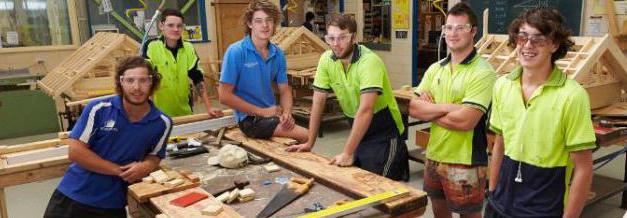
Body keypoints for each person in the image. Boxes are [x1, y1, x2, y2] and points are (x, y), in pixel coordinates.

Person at [485, 8, 596, 218]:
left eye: (538, 39)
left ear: (554, 45)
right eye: (522, 37)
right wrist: (492, 192)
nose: (527, 45)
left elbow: (584, 169)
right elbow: (500, 142)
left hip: (543, 209)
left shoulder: (572, 96)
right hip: (499, 203)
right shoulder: (502, 85)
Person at [43, 56, 172, 218]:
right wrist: (119, 171)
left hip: (113, 205)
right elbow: (75, 152)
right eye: (130, 80)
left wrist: (145, 166)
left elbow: (155, 156)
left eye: (143, 80)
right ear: (121, 82)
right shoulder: (98, 109)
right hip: (73, 198)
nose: (137, 87)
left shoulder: (162, 123)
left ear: (152, 83)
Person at [287, 13, 409, 181]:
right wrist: (310, 142)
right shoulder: (326, 60)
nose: (336, 44)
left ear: (354, 37)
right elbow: (318, 102)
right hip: (358, 129)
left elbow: (366, 110)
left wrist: (347, 152)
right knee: (361, 181)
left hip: (384, 132)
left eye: (342, 38)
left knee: (384, 186)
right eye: (331, 38)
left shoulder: (369, 62)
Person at [408, 3, 496, 217]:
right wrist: (450, 108)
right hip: (434, 154)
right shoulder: (435, 68)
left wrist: (431, 108)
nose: (452, 33)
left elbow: (466, 122)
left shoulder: (483, 72)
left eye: (460, 28)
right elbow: (412, 108)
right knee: (439, 212)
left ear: (473, 31)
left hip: (466, 161)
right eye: (448, 28)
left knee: (469, 214)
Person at [218, 0, 308, 142]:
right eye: (258, 21)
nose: (265, 25)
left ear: (274, 23)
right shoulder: (236, 51)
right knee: (307, 136)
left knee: (300, 137)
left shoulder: (277, 53)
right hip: (250, 119)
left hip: (272, 115)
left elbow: (284, 90)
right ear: (250, 24)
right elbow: (224, 96)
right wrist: (263, 112)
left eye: (269, 20)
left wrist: (287, 113)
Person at [143, 8, 223, 118]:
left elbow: (197, 79)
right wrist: (147, 111)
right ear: (161, 26)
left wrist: (209, 107)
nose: (176, 29)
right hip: (158, 114)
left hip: (185, 113)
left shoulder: (188, 48)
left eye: (179, 26)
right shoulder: (151, 46)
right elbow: (145, 78)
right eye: (170, 25)